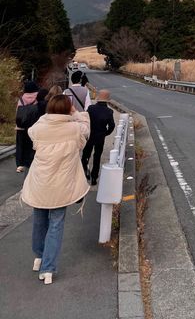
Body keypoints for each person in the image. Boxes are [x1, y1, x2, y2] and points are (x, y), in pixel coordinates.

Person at [22, 94, 90, 285]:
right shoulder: (75, 128)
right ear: (68, 109)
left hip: (40, 182)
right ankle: (48, 268)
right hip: (61, 185)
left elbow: (32, 130)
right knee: (56, 223)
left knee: (39, 220)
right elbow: (87, 126)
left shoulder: (39, 128)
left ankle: (39, 257)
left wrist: (48, 115)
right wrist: (76, 113)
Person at [81, 89, 115, 186]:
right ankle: (94, 177)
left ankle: (86, 170)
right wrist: (105, 133)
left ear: (98, 99)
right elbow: (112, 126)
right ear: (107, 100)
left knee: (86, 155)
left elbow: (85, 120)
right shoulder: (109, 112)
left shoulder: (91, 108)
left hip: (90, 135)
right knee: (97, 157)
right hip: (100, 137)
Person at [15, 81, 39, 172]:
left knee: (20, 145)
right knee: (31, 145)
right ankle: (31, 163)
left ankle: (20, 165)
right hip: (33, 126)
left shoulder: (22, 98)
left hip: (21, 126)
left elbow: (18, 112)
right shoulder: (37, 98)